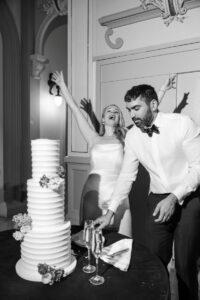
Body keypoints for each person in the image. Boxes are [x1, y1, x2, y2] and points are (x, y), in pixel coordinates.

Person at [94, 83, 200, 300]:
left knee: (184, 265)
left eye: (136, 108)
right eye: (129, 109)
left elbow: (198, 166)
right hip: (157, 198)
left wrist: (174, 196)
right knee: (154, 262)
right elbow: (126, 176)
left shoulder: (182, 124)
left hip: (189, 197)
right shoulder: (133, 137)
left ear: (153, 104)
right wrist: (110, 211)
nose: (132, 115)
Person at [52, 71, 174, 238]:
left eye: (116, 111)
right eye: (109, 111)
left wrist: (162, 90)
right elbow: (74, 109)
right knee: (91, 242)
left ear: (120, 118)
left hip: (119, 197)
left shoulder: (128, 136)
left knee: (124, 243)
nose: (113, 112)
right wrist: (63, 86)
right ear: (103, 119)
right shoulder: (93, 138)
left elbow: (146, 111)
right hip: (92, 194)